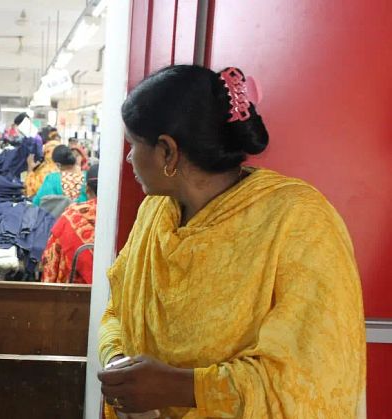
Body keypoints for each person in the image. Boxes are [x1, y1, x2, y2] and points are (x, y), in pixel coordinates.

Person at [96, 65, 365, 418]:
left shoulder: (297, 221)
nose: (129, 157)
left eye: (134, 144)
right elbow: (118, 310)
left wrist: (179, 387)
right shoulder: (154, 214)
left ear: (167, 152)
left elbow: (313, 375)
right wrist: (118, 361)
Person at [41, 163, 98, 284]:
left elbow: (51, 260)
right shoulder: (126, 216)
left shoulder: (71, 216)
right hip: (116, 295)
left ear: (87, 188)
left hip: (74, 295)